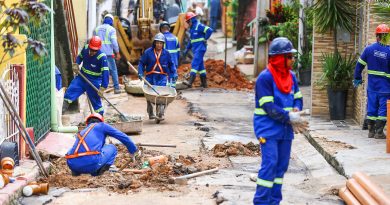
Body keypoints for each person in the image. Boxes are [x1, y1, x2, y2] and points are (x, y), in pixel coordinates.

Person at [253, 37, 308, 205]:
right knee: (270, 163)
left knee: (281, 166)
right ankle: (262, 202)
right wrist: (289, 117)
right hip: (267, 128)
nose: (292, 60)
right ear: (279, 58)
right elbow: (268, 107)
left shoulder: (291, 76)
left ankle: (274, 201)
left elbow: (298, 97)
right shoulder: (265, 78)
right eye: (289, 57)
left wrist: (297, 110)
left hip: (285, 130)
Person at [66, 113, 138, 176]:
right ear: (101, 121)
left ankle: (77, 173)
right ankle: (98, 173)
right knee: (112, 148)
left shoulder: (82, 132)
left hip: (72, 164)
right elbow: (122, 136)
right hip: (91, 164)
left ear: (87, 123)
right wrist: (133, 150)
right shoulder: (102, 126)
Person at [354, 24, 390, 139]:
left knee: (372, 107)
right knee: (383, 110)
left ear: (377, 36)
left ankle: (371, 132)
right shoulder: (389, 51)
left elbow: (359, 66)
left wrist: (357, 79)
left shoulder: (368, 49)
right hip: (385, 88)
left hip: (372, 87)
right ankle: (379, 133)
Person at [62, 36, 109, 116]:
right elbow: (80, 57)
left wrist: (103, 87)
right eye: (91, 49)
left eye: (95, 50)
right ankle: (61, 112)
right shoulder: (86, 48)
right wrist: (77, 64)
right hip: (82, 78)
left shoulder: (102, 57)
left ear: (98, 49)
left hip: (94, 82)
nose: (92, 52)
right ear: (89, 46)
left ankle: (99, 121)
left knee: (96, 104)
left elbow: (105, 73)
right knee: (70, 93)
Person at [138, 33, 177, 120]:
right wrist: (140, 72)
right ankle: (151, 113)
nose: (159, 45)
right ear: (154, 43)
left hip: (161, 77)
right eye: (157, 43)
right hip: (150, 77)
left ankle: (160, 112)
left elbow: (171, 64)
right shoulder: (148, 52)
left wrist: (174, 73)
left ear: (163, 44)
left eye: (161, 43)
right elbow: (141, 63)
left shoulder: (166, 53)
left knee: (161, 95)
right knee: (149, 96)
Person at [183, 12, 213, 88]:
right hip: (196, 49)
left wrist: (205, 39)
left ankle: (190, 82)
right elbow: (191, 40)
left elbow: (210, 30)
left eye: (187, 21)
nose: (187, 23)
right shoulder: (192, 29)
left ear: (191, 20)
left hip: (200, 48)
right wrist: (186, 50)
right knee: (200, 67)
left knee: (194, 63)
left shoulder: (199, 26)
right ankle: (204, 83)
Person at [93, 14, 121, 94]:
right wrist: (117, 52)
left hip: (98, 53)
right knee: (113, 71)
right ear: (111, 21)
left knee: (98, 71)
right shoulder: (111, 29)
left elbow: (94, 41)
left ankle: (97, 88)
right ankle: (116, 88)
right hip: (108, 54)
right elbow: (114, 42)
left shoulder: (97, 29)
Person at [160, 21, 179, 87]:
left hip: (166, 62)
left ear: (161, 29)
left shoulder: (162, 38)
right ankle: (173, 90)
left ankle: (167, 92)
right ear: (169, 28)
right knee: (173, 77)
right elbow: (178, 51)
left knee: (166, 78)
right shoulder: (175, 38)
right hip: (175, 61)